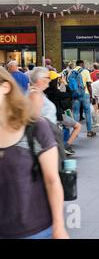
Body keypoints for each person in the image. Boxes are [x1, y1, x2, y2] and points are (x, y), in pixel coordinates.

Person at [0, 67, 69, 239]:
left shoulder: (35, 127)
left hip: (34, 230)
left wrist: (59, 227)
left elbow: (52, 180)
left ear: (6, 87)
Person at [45, 71, 82, 155]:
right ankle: (67, 146)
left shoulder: (46, 91)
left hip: (50, 116)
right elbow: (72, 94)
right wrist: (65, 83)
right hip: (59, 116)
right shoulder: (55, 92)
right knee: (78, 126)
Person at [72, 60, 96, 137]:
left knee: (76, 113)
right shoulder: (85, 71)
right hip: (85, 94)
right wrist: (91, 95)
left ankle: (74, 133)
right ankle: (89, 131)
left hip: (75, 94)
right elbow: (89, 84)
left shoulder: (72, 71)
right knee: (87, 113)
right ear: (82, 64)